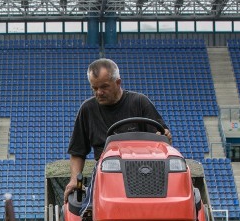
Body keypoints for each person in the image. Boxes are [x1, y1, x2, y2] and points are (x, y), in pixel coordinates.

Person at [64, 58, 171, 203]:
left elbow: (162, 140)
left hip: (142, 168)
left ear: (118, 82)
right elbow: (77, 151)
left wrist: (165, 138)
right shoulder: (87, 109)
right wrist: (74, 180)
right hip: (107, 171)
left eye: (104, 87)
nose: (99, 93)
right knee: (89, 205)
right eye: (94, 88)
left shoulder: (139, 102)